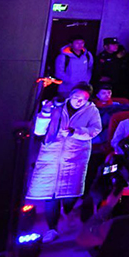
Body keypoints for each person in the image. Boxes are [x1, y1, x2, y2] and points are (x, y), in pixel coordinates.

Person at [28, 83, 102, 243]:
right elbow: (39, 131)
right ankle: (52, 229)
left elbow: (95, 130)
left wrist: (76, 132)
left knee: (71, 193)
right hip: (52, 153)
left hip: (76, 154)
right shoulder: (57, 106)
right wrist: (45, 112)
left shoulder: (92, 111)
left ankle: (67, 211)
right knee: (51, 194)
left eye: (83, 99)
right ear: (70, 95)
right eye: (76, 97)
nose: (78, 101)